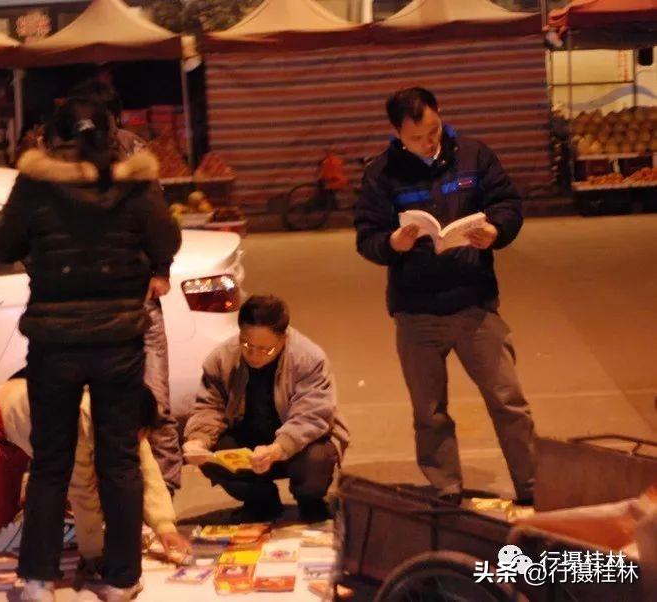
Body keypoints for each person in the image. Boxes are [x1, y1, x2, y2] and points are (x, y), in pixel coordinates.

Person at [0, 96, 180, 601]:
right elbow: (167, 242)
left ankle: (38, 580)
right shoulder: (134, 183)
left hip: (54, 343)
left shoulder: (35, 184)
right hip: (119, 341)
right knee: (119, 460)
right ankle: (122, 579)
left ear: (54, 136)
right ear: (112, 133)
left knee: (52, 461)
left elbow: (2, 245)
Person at [354, 87, 536, 506]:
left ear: (441, 114)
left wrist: (495, 230)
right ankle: (446, 490)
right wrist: (392, 244)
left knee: (508, 401)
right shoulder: (381, 174)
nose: (427, 142)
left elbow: (508, 203)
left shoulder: (474, 155)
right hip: (416, 312)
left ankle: (533, 486)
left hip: (474, 304)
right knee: (429, 412)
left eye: (433, 131)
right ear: (397, 133)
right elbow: (367, 237)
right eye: (416, 137)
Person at [0, 380, 190, 579]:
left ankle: (28, 501)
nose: (134, 444)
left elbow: (145, 469)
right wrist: (92, 553)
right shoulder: (77, 425)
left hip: (31, 416)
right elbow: (83, 490)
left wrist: (165, 527)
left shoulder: (121, 417)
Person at [67, 78, 182, 494]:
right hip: (88, 307)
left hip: (137, 300)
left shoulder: (133, 152)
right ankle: (113, 494)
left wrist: (160, 270)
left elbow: (159, 219)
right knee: (98, 410)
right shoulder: (62, 155)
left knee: (156, 403)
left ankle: (165, 492)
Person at [182, 295, 350, 523]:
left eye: (265, 350)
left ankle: (311, 502)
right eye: (246, 344)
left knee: (315, 460)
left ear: (284, 338)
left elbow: (312, 416)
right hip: (250, 444)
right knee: (213, 455)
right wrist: (198, 440)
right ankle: (261, 502)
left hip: (298, 444)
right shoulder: (222, 358)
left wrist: (278, 448)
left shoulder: (308, 358)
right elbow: (209, 407)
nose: (254, 355)